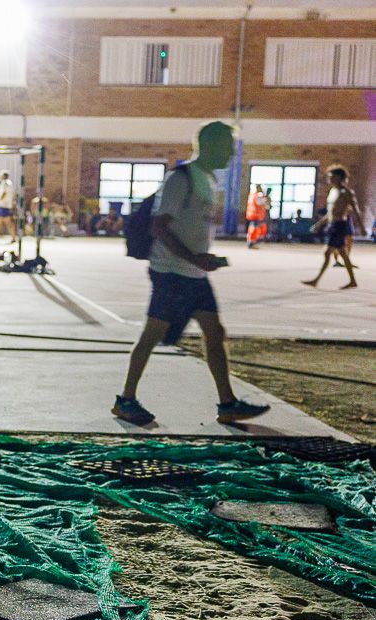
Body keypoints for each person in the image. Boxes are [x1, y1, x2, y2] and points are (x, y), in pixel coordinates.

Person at [113, 121, 271, 427]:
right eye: (227, 148)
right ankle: (125, 399)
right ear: (210, 146)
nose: (230, 155)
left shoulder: (207, 180)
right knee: (151, 335)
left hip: (194, 274)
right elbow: (159, 226)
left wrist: (201, 260)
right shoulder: (180, 178)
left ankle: (227, 404)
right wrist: (194, 258)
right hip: (171, 272)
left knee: (215, 332)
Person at [302, 165, 365, 289]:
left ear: (339, 177)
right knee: (342, 253)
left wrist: (362, 227)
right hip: (332, 225)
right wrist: (319, 224)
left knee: (327, 253)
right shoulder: (333, 191)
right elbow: (330, 213)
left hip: (339, 226)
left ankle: (316, 280)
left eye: (332, 177)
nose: (329, 179)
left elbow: (356, 211)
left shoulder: (346, 192)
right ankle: (352, 281)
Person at [0, 171, 17, 242]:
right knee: (1, 222)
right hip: (3, 206)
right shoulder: (6, 183)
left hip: (3, 206)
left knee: (2, 222)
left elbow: (3, 193)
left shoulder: (6, 183)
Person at [246, 184, 268, 248]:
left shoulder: (251, 195)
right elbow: (260, 203)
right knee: (254, 229)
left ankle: (251, 242)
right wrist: (264, 201)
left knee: (252, 228)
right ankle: (252, 243)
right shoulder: (257, 196)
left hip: (252, 214)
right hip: (256, 215)